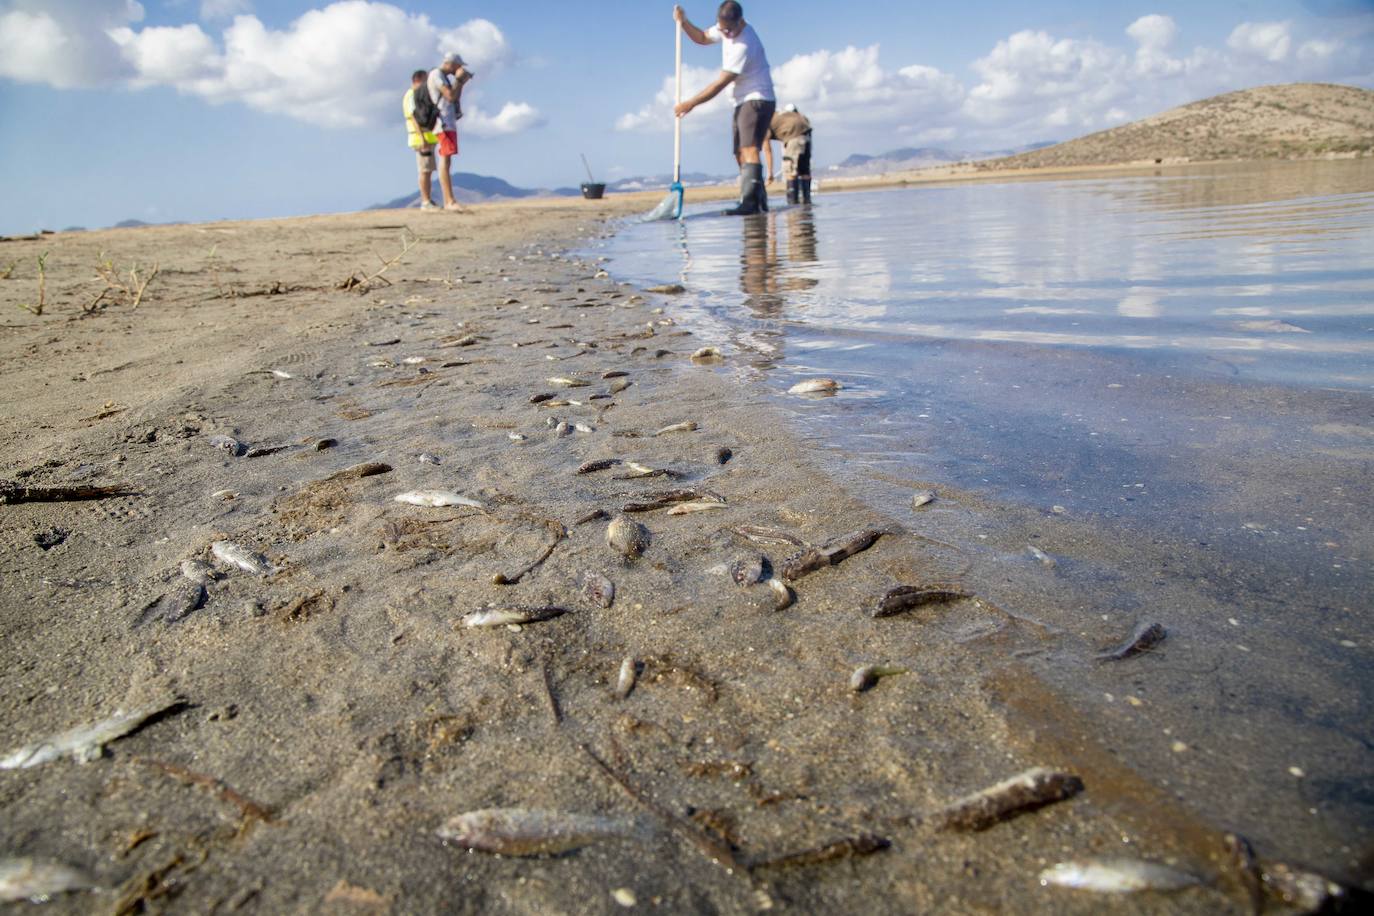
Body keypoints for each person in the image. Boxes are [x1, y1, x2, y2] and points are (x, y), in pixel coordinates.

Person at [674, 2, 776, 216]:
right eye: (722, 29)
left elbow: (720, 84)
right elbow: (702, 37)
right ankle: (759, 199)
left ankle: (749, 203)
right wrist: (683, 23)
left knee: (749, 149)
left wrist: (690, 103)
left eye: (729, 30)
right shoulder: (725, 29)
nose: (726, 34)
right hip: (741, 101)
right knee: (739, 153)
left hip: (757, 98)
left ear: (741, 22)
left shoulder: (744, 44)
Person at [427, 52, 473, 212]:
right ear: (451, 64)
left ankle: (449, 200)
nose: (459, 69)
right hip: (443, 123)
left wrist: (460, 82)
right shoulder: (436, 74)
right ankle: (449, 201)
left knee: (447, 160)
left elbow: (454, 97)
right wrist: (459, 80)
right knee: (445, 160)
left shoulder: (445, 77)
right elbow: (450, 96)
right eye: (458, 66)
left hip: (448, 122)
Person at [403, 70, 439, 211]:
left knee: (428, 170)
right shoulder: (411, 95)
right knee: (424, 169)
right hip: (420, 138)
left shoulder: (415, 95)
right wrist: (422, 137)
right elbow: (413, 116)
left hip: (426, 137)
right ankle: (425, 201)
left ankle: (427, 199)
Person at [765, 104, 813, 204]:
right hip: (806, 134)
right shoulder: (784, 116)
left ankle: (793, 205)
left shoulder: (763, 123)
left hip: (794, 136)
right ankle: (807, 202)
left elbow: (767, 150)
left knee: (790, 171)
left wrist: (770, 174)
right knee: (804, 172)